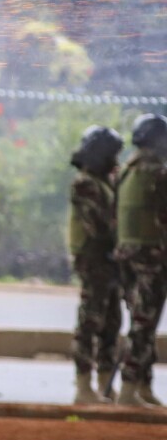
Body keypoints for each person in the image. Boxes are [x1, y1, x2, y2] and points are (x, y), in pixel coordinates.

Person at [67, 126, 124, 404]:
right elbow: (100, 225)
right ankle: (83, 386)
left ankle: (104, 382)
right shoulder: (86, 184)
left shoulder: (103, 182)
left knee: (111, 322)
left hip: (109, 261)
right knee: (91, 321)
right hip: (94, 260)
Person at [114, 113, 167, 408]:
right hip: (152, 257)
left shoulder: (127, 170)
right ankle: (129, 389)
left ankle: (142, 386)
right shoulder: (158, 173)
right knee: (144, 324)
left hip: (127, 256)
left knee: (139, 320)